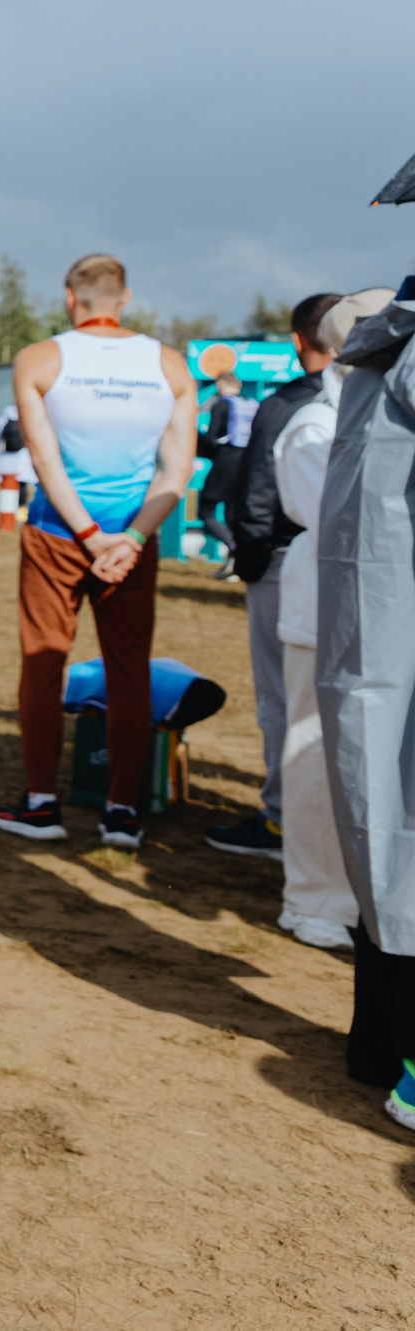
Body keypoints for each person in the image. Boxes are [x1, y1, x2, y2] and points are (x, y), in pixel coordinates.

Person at [0, 254, 197, 851]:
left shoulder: (39, 358)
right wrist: (129, 538)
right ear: (124, 298)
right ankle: (122, 812)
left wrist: (87, 534)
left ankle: (41, 803)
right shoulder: (170, 365)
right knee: (129, 669)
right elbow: (176, 468)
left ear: (68, 298)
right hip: (132, 537)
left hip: (60, 533)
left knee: (44, 662)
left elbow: (45, 458)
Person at [312, 276, 415, 1129]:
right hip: (396, 639)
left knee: (383, 826)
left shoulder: (377, 347)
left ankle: (382, 1045)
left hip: (369, 641)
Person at [267, 293, 391, 947]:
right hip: (326, 606)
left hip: (380, 611)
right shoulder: (317, 425)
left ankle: (356, 893)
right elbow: (346, 521)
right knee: (315, 749)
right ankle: (314, 899)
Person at [206, 293, 341, 862]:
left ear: (297, 341)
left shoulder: (288, 407)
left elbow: (259, 490)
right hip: (355, 571)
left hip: (291, 565)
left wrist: (252, 560)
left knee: (283, 698)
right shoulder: (376, 397)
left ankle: (284, 820)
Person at [196, 370, 252, 571]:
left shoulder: (221, 404)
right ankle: (235, 565)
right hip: (247, 464)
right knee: (232, 514)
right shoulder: (252, 404)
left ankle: (233, 547)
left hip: (225, 462)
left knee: (206, 511)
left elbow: (212, 439)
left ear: (221, 382)